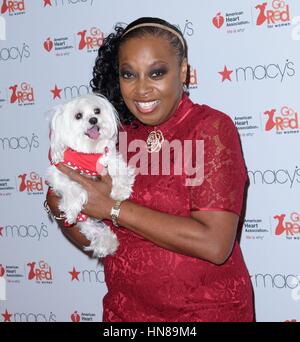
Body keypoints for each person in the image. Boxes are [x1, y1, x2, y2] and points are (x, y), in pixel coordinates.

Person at [46, 17, 254, 322]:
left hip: (205, 314)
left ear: (183, 71)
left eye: (157, 73)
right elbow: (109, 245)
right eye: (129, 74)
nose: (142, 89)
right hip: (124, 314)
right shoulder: (113, 137)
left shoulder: (209, 128)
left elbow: (215, 244)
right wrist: (65, 209)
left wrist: (112, 207)